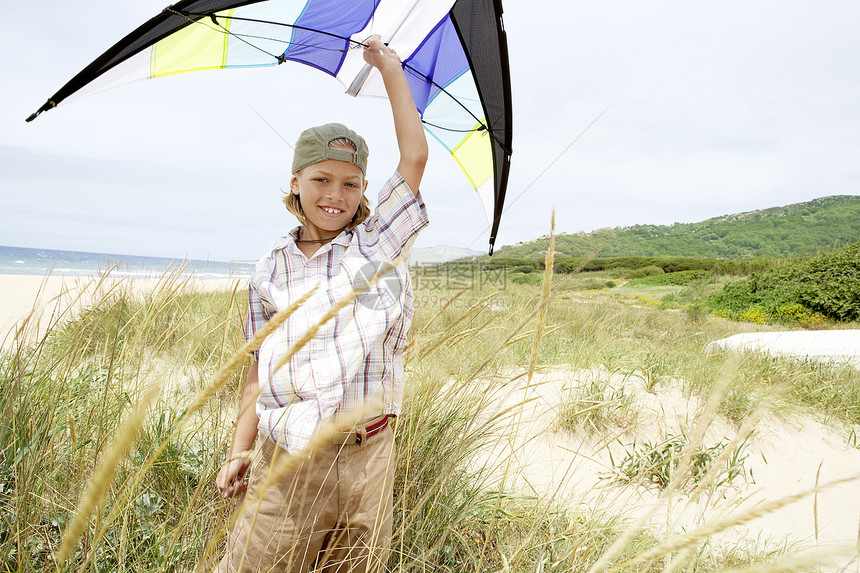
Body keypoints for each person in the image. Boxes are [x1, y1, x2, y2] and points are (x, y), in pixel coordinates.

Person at [214, 35, 429, 573]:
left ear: (363, 191)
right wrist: (240, 451)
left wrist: (389, 69)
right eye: (321, 179)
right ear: (296, 182)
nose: (336, 194)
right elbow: (254, 371)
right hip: (287, 457)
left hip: (368, 454)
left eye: (351, 184)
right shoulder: (270, 269)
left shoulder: (378, 243)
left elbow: (415, 155)